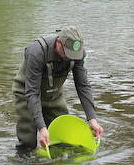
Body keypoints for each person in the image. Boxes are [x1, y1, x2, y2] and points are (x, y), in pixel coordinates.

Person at [12, 26, 103, 154]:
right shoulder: (37, 51)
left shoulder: (78, 54)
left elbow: (83, 85)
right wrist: (42, 128)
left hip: (54, 94)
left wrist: (92, 119)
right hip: (26, 92)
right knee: (28, 139)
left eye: (74, 55)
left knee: (63, 135)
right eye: (67, 53)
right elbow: (32, 92)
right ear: (59, 42)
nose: (70, 58)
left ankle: (56, 164)